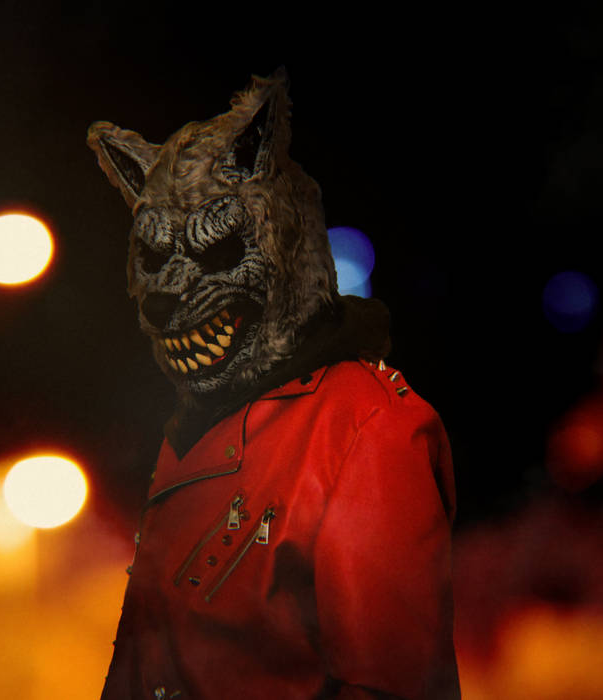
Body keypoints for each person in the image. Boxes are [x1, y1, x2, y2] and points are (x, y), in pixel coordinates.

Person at [87, 69, 460, 700]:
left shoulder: (364, 428)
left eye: (215, 250)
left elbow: (391, 685)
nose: (166, 292)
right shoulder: (199, 424)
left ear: (285, 248)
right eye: (155, 257)